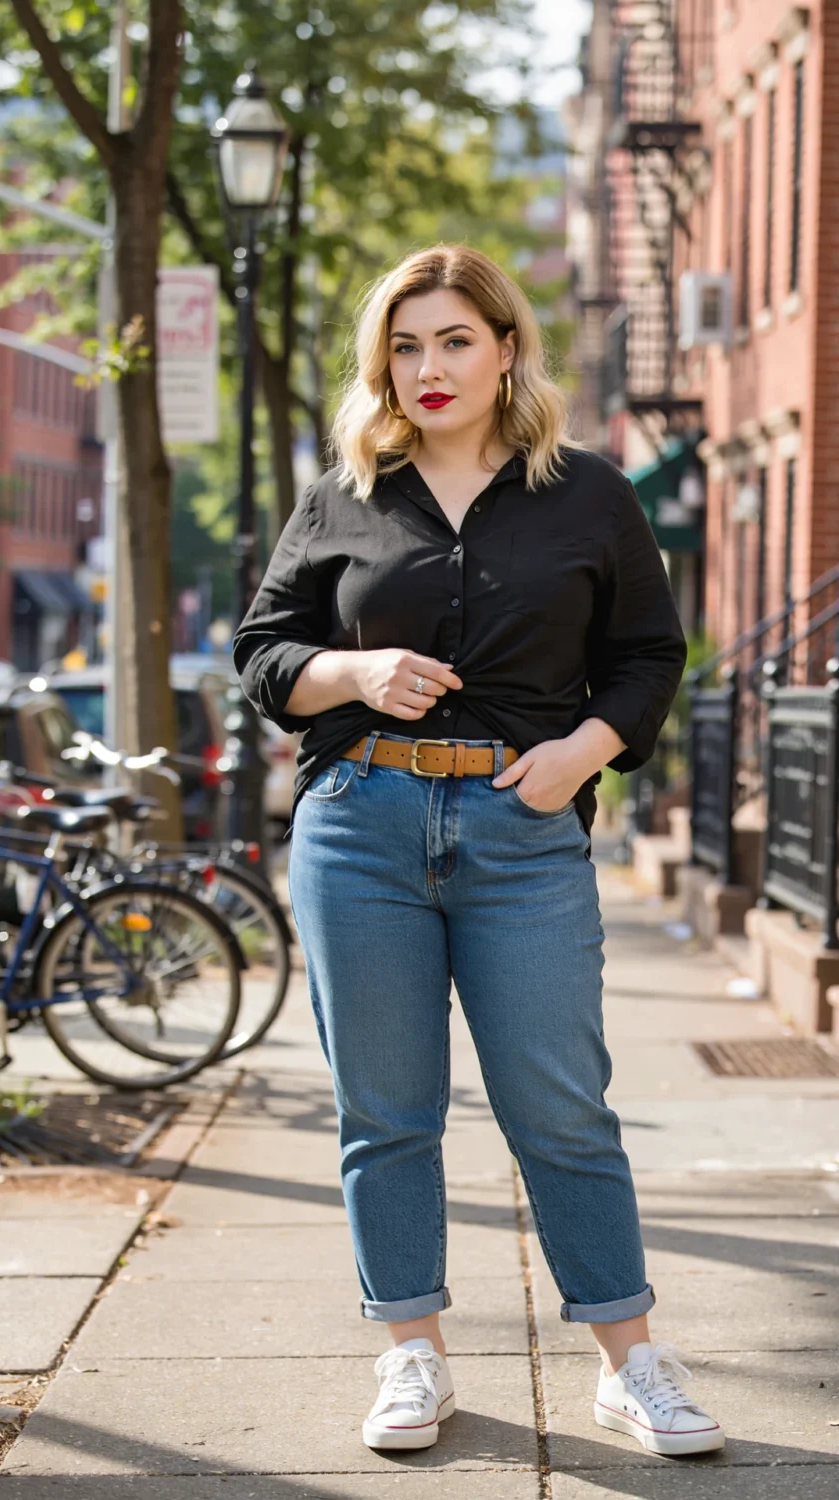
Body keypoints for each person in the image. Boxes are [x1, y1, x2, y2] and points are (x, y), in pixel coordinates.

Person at [232, 244, 724, 1459]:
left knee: (561, 1108)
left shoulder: (588, 494)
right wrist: (352, 671)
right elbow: (264, 653)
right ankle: (413, 1355)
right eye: (405, 346)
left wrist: (582, 754)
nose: (429, 367)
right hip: (359, 826)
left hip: (522, 831)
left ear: (506, 349)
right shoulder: (343, 495)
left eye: (454, 340)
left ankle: (630, 1363)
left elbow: (648, 654)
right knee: (384, 1111)